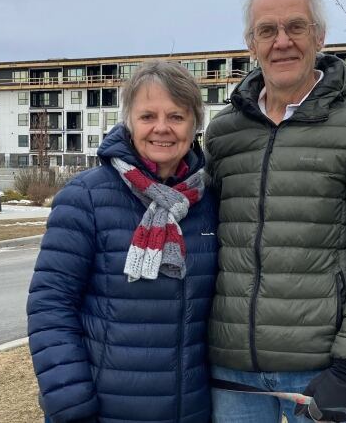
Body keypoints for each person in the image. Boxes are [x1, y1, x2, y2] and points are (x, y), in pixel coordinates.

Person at [204, 0, 346, 423]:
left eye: (296, 27)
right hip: (232, 370)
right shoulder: (224, 132)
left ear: (319, 36)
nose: (282, 42)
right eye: (267, 30)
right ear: (250, 43)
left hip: (321, 372)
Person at [27, 60, 218, 423]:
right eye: (148, 116)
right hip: (104, 409)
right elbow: (51, 306)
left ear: (195, 124)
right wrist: (70, 401)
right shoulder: (85, 197)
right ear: (129, 120)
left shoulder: (209, 201)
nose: (162, 128)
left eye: (176, 117)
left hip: (189, 410)